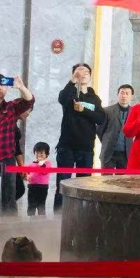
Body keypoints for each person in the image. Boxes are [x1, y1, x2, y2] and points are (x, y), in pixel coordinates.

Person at [54, 64, 106, 210]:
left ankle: (82, 214)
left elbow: (101, 118)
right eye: (78, 72)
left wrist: (83, 110)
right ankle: (58, 214)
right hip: (67, 146)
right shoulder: (69, 93)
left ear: (90, 76)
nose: (82, 74)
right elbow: (62, 99)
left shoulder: (94, 98)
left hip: (86, 147)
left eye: (86, 72)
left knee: (84, 184)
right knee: (63, 183)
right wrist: (72, 81)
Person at [0, 73, 35, 213]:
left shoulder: (12, 107)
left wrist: (21, 87)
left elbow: (29, 101)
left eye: (2, 83)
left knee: (8, 200)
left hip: (7, 161)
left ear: (7, 88)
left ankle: (9, 226)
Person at [98, 84, 134, 169]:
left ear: (131, 97)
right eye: (122, 93)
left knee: (123, 177)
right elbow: (99, 130)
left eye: (127, 93)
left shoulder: (134, 112)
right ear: (118, 94)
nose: (124, 96)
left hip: (126, 154)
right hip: (109, 152)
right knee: (106, 177)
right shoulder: (107, 110)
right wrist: (106, 141)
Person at [27, 141, 51, 216]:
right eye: (37, 153)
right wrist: (27, 176)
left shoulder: (48, 163)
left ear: (47, 154)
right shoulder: (32, 163)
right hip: (32, 187)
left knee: (41, 204)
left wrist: (41, 164)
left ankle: (41, 219)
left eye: (41, 153)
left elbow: (44, 172)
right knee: (31, 204)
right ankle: (30, 218)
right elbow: (26, 172)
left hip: (42, 187)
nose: (39, 155)